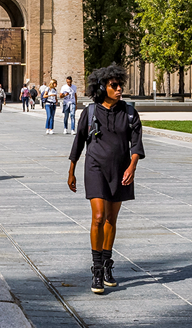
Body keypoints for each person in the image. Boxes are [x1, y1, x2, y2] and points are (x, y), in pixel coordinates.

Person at [68, 64, 144, 294]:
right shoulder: (90, 112)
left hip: (120, 169)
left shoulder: (129, 113)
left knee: (111, 218)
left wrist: (132, 167)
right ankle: (97, 269)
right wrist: (71, 171)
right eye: (114, 85)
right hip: (95, 167)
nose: (120, 88)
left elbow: (136, 145)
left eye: (121, 84)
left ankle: (108, 264)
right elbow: (79, 142)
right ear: (102, 87)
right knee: (99, 215)